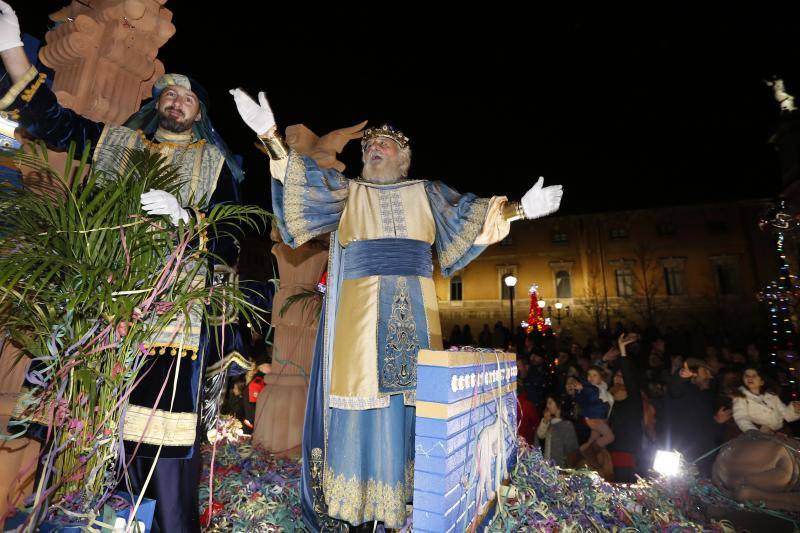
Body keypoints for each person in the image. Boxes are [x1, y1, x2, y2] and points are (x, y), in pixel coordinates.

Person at [230, 88, 563, 530]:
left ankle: (408, 497)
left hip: (416, 312)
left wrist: (520, 209)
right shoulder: (347, 193)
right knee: (361, 398)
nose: (373, 149)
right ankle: (355, 503)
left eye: (383, 144)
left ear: (405, 156)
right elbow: (301, 185)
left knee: (413, 399)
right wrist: (271, 137)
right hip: (357, 317)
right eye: (368, 146)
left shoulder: (428, 193)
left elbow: (470, 217)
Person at [0, 4, 243, 531]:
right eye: (168, 94)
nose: (175, 101)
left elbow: (231, 232)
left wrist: (188, 217)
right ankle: (84, 512)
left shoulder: (215, 165)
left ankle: (164, 523)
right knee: (91, 403)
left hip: (173, 308)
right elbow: (54, 122)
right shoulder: (119, 143)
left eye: (186, 97)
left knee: (159, 421)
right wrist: (10, 51)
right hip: (108, 293)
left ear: (199, 112)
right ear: (158, 106)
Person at [665, 358, 732, 477]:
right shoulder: (681, 391)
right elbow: (675, 387)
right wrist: (680, 376)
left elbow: (709, 433)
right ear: (692, 372)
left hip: (703, 461)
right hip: (679, 459)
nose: (710, 377)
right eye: (706, 372)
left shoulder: (706, 398)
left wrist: (717, 422)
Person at [732, 366, 800, 435]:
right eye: (746, 375)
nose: (749, 378)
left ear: (762, 381)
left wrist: (795, 410)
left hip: (782, 432)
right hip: (762, 436)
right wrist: (754, 432)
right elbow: (741, 417)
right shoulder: (740, 397)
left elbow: (786, 415)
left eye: (754, 376)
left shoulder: (772, 396)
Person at [535, 395, 579, 468]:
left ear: (558, 405)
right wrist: (545, 421)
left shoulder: (566, 425)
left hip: (561, 467)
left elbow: (571, 449)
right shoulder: (549, 422)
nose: (547, 406)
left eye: (550, 403)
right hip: (548, 466)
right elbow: (540, 435)